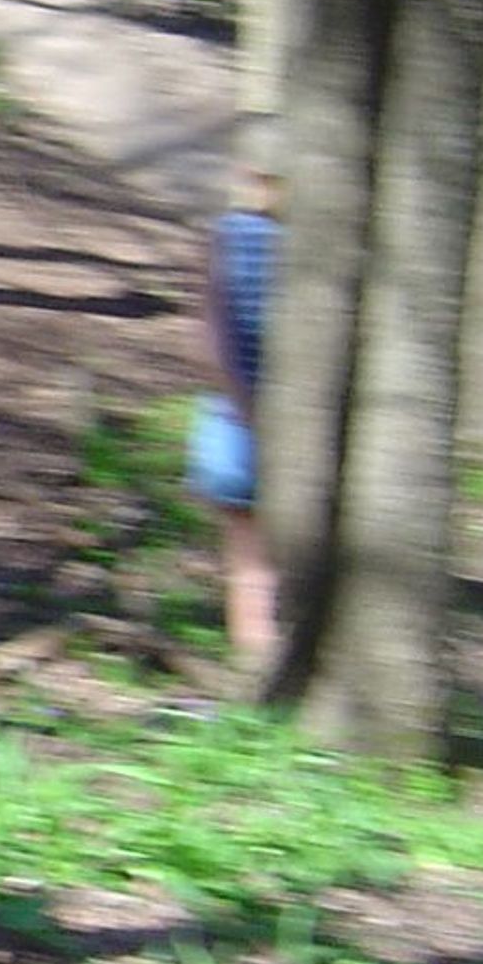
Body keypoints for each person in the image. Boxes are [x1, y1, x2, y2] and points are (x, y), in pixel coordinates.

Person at [189, 159, 280, 680]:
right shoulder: (314, 240)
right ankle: (259, 659)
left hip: (233, 408)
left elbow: (210, 333)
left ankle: (256, 658)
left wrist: (236, 397)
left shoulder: (223, 234)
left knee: (248, 552)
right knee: (259, 547)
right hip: (254, 412)